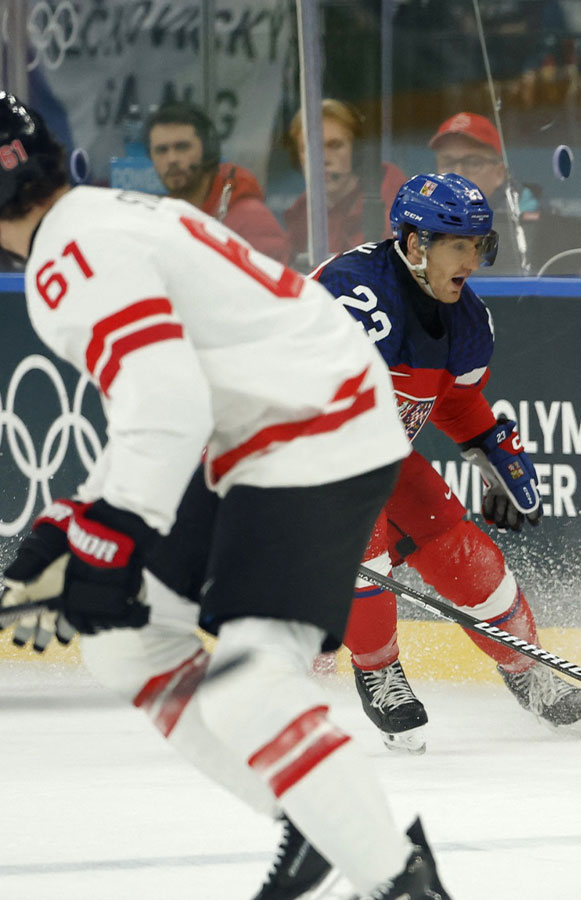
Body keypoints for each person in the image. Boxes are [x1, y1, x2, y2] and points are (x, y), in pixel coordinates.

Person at [0, 92, 451, 900]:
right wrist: (76, 516)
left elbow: (166, 401)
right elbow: (169, 398)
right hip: (264, 423)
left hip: (313, 427)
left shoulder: (67, 258)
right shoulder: (99, 217)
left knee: (252, 684)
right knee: (126, 642)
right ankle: (315, 822)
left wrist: (109, 539)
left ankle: (398, 881)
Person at [312, 172, 581, 753]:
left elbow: (456, 403)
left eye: (479, 244)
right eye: (458, 245)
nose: (472, 260)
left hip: (376, 455)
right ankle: (378, 669)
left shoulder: (468, 321)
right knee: (362, 538)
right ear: (416, 244)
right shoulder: (352, 292)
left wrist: (488, 442)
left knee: (468, 559)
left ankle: (524, 669)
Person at [144, 101, 291, 265]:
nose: (171, 159)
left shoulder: (250, 218)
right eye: (161, 150)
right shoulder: (162, 216)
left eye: (182, 147)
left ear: (208, 150)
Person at [284, 98, 407, 265]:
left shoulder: (392, 204)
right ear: (296, 158)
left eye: (334, 146)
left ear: (356, 151)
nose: (323, 159)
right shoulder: (301, 214)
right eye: (310, 149)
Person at [430, 111, 545, 273]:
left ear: (499, 174)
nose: (458, 174)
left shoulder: (531, 221)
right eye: (448, 163)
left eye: (472, 163)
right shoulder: (418, 216)